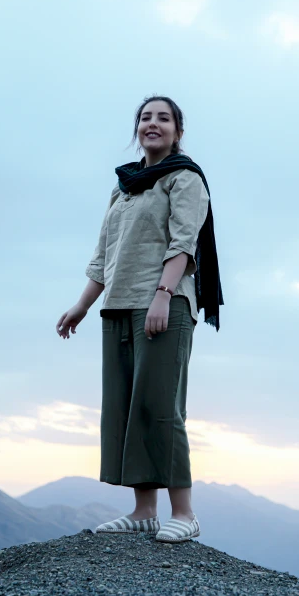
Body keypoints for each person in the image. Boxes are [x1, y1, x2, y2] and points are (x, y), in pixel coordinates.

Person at [56, 95, 224, 543]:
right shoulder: (124, 185)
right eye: (146, 118)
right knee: (126, 408)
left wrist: (163, 295)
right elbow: (103, 256)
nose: (153, 124)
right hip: (118, 306)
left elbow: (184, 243)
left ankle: (184, 513)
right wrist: (82, 304)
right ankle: (144, 510)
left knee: (160, 406)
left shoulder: (184, 179)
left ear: (178, 131)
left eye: (163, 118)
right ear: (138, 129)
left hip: (164, 305)